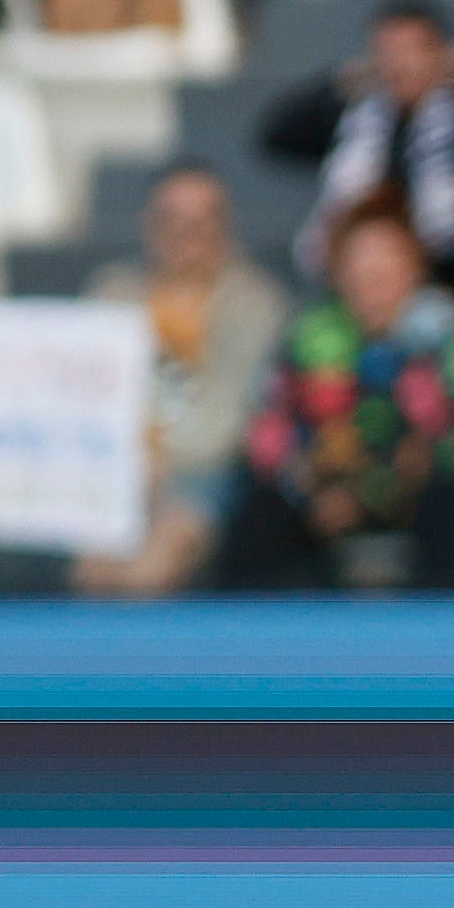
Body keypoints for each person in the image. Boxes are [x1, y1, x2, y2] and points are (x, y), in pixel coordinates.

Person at [220, 203, 454, 589]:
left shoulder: (450, 333)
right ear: (339, 274)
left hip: (419, 492)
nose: (372, 281)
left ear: (414, 269)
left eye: (385, 268)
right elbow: (270, 432)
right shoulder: (312, 334)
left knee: (450, 507)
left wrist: (375, 491)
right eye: (361, 269)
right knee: (258, 514)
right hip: (324, 493)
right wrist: (311, 490)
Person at [75, 167, 286, 597]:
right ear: (148, 227)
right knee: (92, 573)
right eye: (171, 220)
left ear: (226, 227)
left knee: (152, 569)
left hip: (205, 474)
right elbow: (84, 398)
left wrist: (157, 464)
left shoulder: (254, 303)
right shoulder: (112, 294)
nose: (187, 234)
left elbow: (229, 420)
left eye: (201, 220)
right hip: (115, 474)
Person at [262, 0, 454, 295]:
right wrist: (347, 78)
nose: (400, 65)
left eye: (411, 51)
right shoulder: (356, 118)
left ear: (440, 54)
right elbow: (277, 134)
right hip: (360, 282)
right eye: (387, 53)